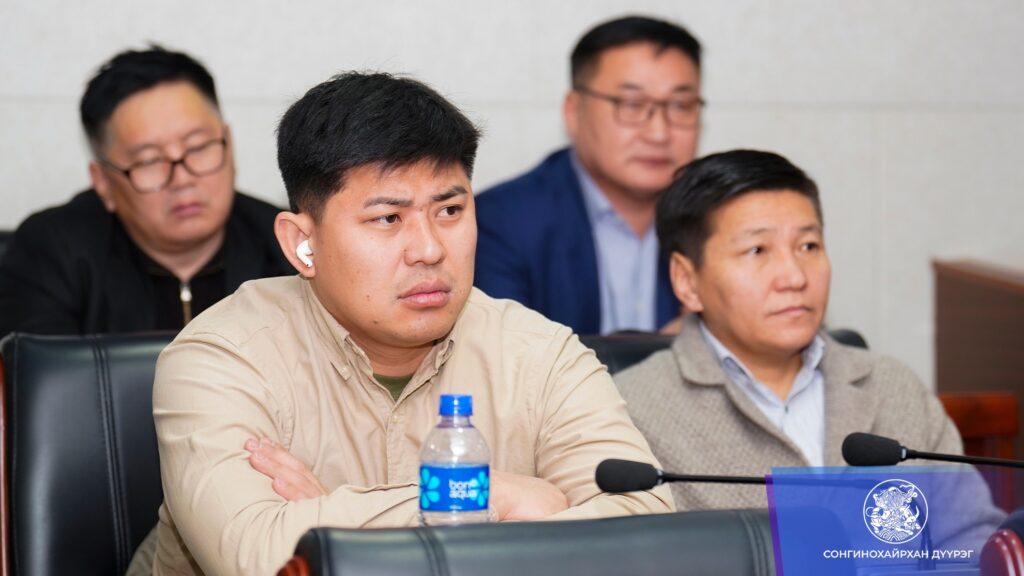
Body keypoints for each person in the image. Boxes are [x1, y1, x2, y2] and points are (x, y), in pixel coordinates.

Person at [150, 71, 673, 575]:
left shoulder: (541, 354)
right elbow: (261, 558)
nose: (429, 249)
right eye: (388, 218)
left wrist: (333, 525)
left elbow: (643, 534)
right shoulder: (222, 358)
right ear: (302, 243)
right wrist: (493, 496)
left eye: (449, 211)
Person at [614, 150, 1002, 525]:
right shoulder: (632, 413)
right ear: (687, 281)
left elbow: (972, 537)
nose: (794, 277)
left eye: (808, 246)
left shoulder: (894, 388)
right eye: (757, 250)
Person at [0, 46, 291, 338]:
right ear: (103, 182)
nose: (182, 179)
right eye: (149, 160)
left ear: (229, 145)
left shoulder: (289, 247)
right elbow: (39, 366)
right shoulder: (50, 253)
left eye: (198, 147)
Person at [474, 15, 703, 334]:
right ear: (574, 111)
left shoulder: (718, 220)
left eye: (680, 105)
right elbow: (505, 357)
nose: (659, 133)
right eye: (632, 104)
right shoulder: (500, 223)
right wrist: (673, 353)